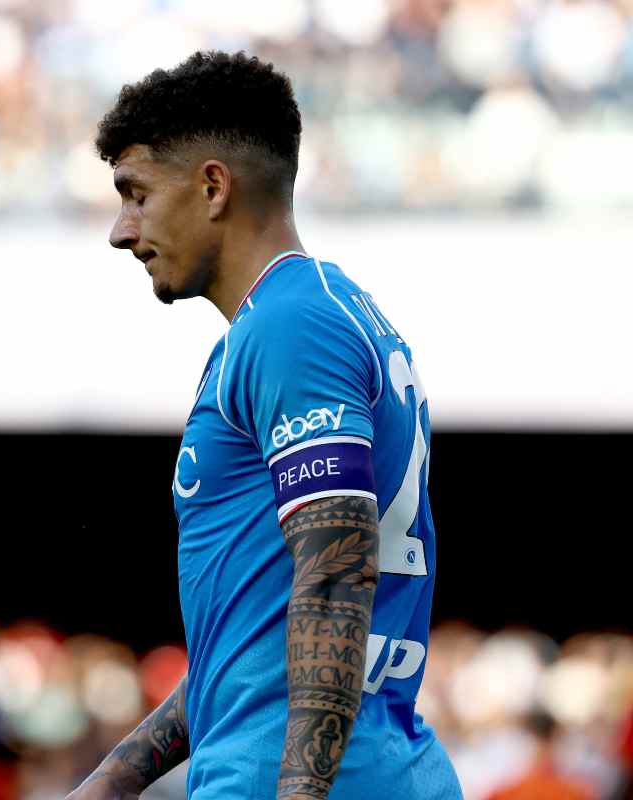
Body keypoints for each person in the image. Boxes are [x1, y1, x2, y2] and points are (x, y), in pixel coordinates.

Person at [67, 51, 462, 800]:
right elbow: (253, 647)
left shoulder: (291, 324)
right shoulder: (309, 316)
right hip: (364, 766)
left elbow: (337, 569)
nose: (122, 230)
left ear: (213, 186)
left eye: (137, 194)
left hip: (298, 779)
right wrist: (115, 780)